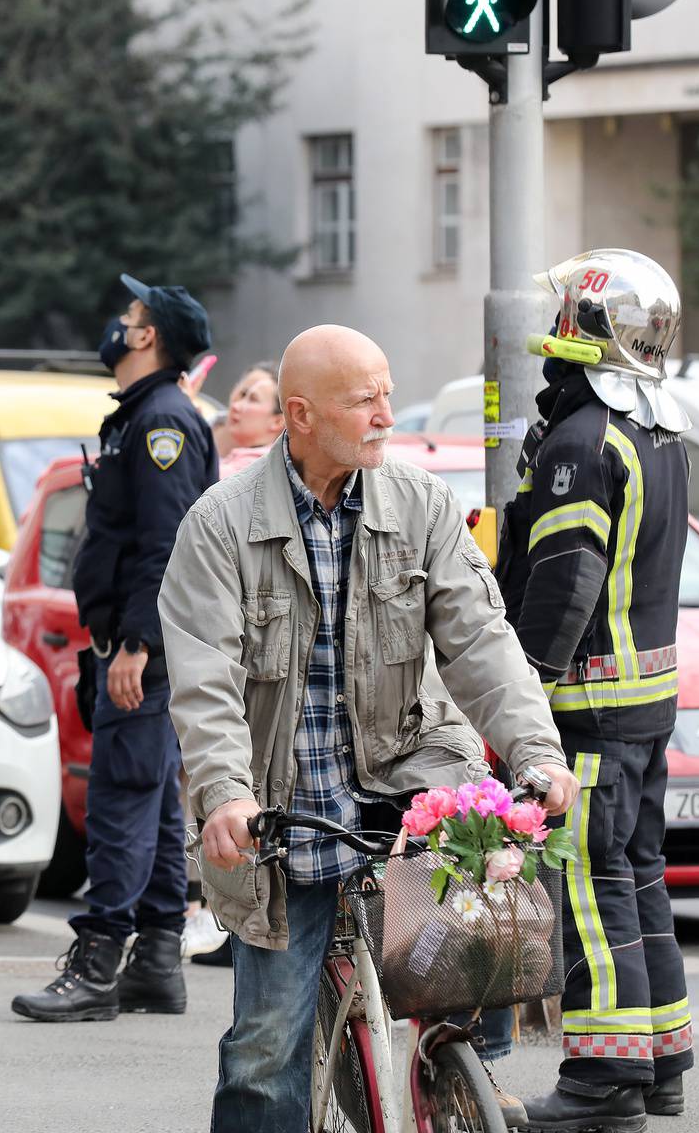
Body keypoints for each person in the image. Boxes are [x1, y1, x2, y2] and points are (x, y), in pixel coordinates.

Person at [158, 324, 581, 1133]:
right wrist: (222, 796)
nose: (387, 412)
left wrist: (536, 751)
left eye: (388, 392)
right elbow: (204, 682)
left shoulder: (420, 504)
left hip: (408, 790)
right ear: (300, 415)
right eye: (365, 399)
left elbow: (482, 643)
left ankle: (458, 1078)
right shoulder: (219, 526)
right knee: (264, 1052)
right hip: (283, 820)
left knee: (478, 968)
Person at [500, 251, 694, 1133]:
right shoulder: (659, 431)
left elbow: (564, 581)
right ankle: (659, 1064)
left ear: (586, 327)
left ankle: (602, 1082)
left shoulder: (583, 441)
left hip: (588, 710)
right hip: (647, 705)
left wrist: (522, 691)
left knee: (587, 879)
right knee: (639, 874)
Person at [11, 273, 217, 1023]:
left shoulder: (163, 422)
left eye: (129, 316)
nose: (117, 324)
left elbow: (166, 547)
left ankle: (96, 966)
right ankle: (157, 964)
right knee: (154, 799)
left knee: (122, 800)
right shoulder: (144, 417)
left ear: (148, 336)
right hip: (139, 645)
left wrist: (135, 644)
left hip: (144, 649)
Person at [213, 361, 287, 455]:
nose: (236, 406)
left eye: (253, 399)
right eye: (243, 394)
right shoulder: (206, 417)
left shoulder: (258, 464)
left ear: (278, 421)